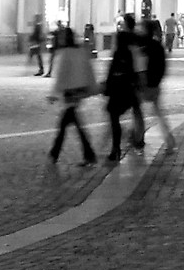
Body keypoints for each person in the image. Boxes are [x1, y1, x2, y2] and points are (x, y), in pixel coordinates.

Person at [47, 26, 99, 165]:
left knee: (67, 122)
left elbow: (61, 76)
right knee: (71, 121)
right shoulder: (80, 51)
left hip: (69, 92)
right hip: (79, 90)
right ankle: (58, 153)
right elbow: (88, 70)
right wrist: (91, 87)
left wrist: (54, 93)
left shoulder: (65, 53)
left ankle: (57, 153)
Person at [103, 15, 142, 160]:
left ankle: (116, 148)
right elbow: (136, 66)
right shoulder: (134, 45)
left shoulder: (120, 50)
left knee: (114, 116)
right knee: (136, 111)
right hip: (129, 86)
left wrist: (107, 85)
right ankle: (136, 138)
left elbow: (112, 68)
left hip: (119, 87)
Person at [139, 17, 175, 148]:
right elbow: (163, 66)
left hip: (143, 84)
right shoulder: (157, 46)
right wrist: (157, 80)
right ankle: (168, 139)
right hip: (155, 84)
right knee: (158, 113)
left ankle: (137, 138)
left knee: (137, 111)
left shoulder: (143, 47)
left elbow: (140, 66)